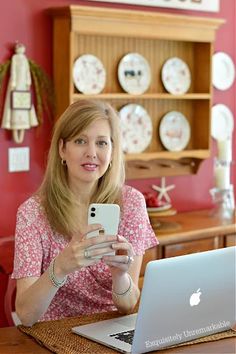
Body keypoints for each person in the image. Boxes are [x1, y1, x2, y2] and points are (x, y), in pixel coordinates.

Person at [12, 99, 158, 326]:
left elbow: (128, 305)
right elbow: (26, 314)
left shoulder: (131, 204)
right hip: (53, 333)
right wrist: (59, 268)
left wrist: (120, 276)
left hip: (111, 330)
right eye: (80, 141)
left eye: (102, 143)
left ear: (112, 151)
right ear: (62, 149)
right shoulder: (32, 213)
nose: (92, 152)